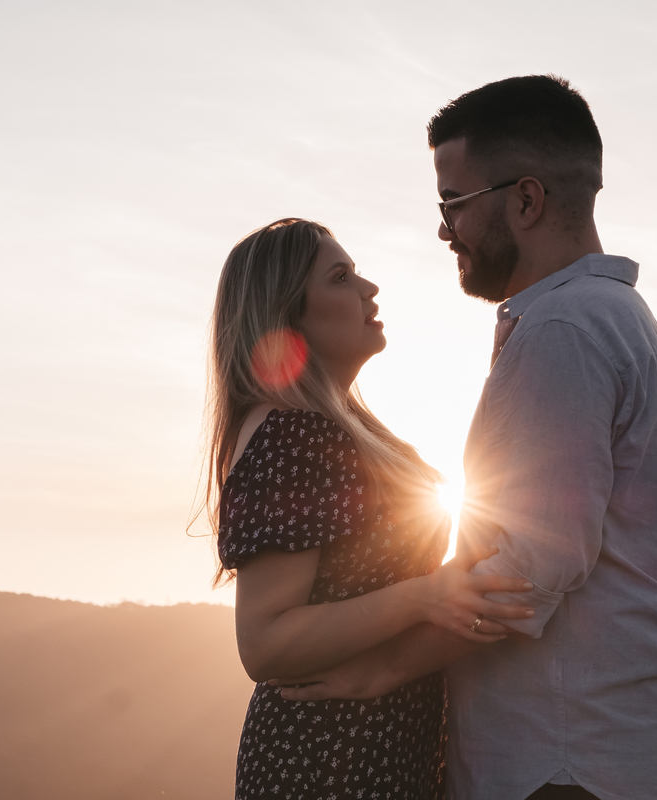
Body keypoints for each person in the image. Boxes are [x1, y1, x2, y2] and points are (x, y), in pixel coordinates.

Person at [275, 76, 657, 800]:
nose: (444, 229)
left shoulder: (564, 330)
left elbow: (529, 566)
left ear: (526, 200)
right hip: (607, 753)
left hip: (568, 762)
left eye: (453, 202)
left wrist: (382, 670)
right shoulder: (614, 321)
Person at [201, 218, 536, 800]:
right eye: (340, 278)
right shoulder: (292, 435)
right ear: (287, 319)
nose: (368, 288)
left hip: (370, 748)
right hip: (324, 761)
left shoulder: (339, 429)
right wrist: (423, 597)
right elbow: (264, 641)